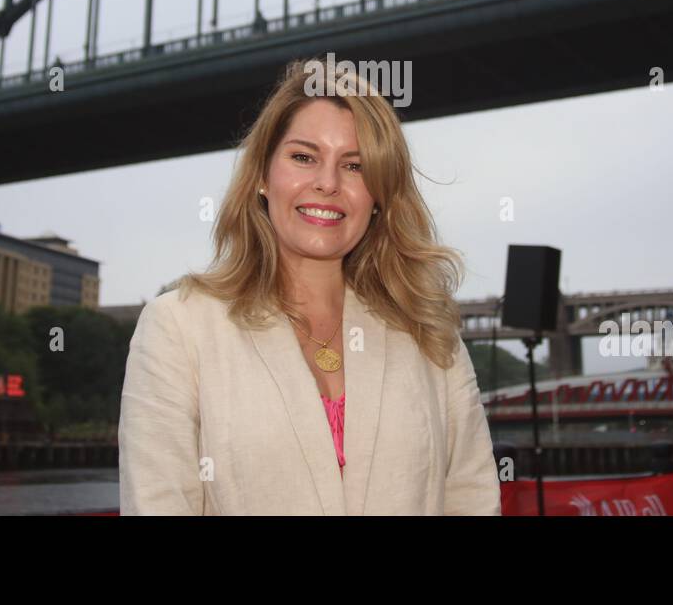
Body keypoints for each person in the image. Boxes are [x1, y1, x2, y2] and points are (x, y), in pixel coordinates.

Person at [118, 57, 501, 515]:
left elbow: (472, 498)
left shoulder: (429, 333)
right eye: (303, 157)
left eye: (355, 167)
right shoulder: (178, 327)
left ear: (378, 197)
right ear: (262, 175)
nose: (327, 184)